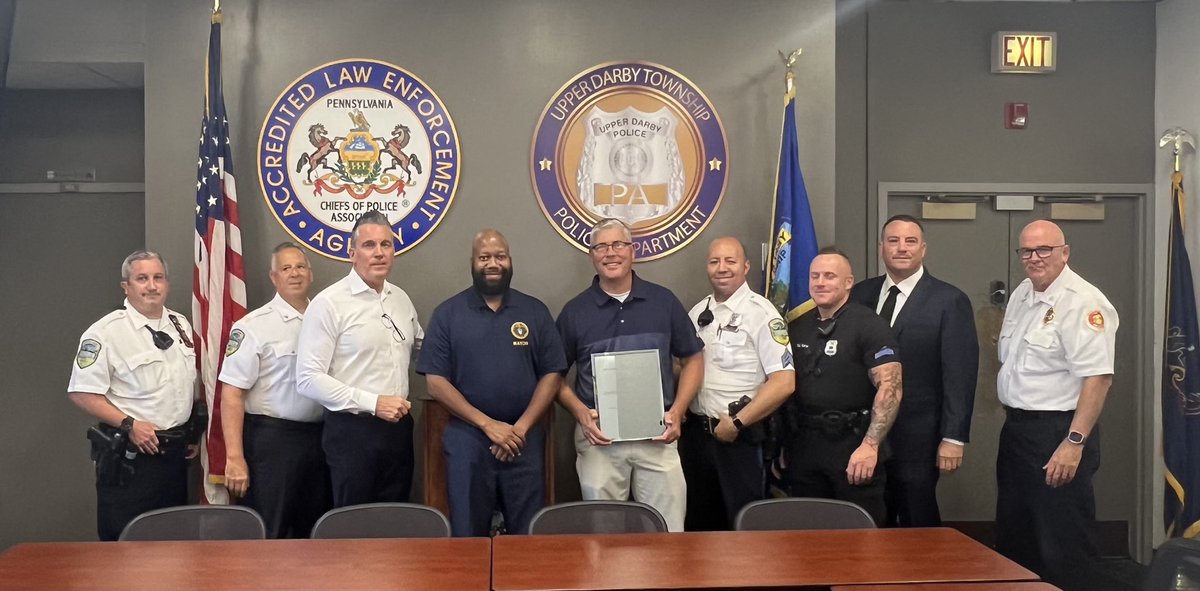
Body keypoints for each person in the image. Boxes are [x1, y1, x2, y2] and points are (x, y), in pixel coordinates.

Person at [556, 218, 704, 532]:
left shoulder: (663, 302)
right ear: (591, 255)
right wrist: (580, 412)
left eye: (618, 244)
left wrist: (678, 410)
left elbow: (693, 358)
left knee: (668, 532)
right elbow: (553, 377)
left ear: (632, 251)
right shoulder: (574, 312)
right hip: (600, 440)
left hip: (658, 436)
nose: (610, 253)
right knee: (604, 536)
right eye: (601, 246)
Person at [417, 229, 565, 536]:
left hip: (523, 438)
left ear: (510, 261)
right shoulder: (447, 314)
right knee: (467, 533)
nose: (493, 263)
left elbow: (552, 373)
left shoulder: (534, 311)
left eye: (500, 256)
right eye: (484, 257)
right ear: (472, 262)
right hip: (468, 438)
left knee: (529, 536)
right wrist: (488, 425)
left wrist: (519, 429)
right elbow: (435, 382)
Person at [995, 220, 1117, 590]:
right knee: (1015, 540)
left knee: (1063, 544)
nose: (1034, 258)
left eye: (1044, 249)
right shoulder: (1023, 293)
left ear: (1064, 253)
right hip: (1018, 431)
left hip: (1059, 434)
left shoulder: (1083, 302)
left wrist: (1074, 442)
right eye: (1027, 251)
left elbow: (1098, 378)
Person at [849, 214, 978, 527]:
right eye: (893, 241)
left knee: (917, 516)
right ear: (881, 247)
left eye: (910, 241)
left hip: (920, 435)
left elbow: (959, 375)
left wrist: (953, 437)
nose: (901, 248)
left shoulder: (949, 300)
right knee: (870, 517)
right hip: (866, 432)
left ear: (923, 249)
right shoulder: (860, 295)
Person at [68, 250, 198, 541]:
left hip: (174, 456)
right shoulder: (106, 332)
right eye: (142, 278)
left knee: (173, 544)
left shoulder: (180, 324)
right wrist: (129, 424)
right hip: (132, 457)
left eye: (158, 277)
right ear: (126, 286)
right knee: (127, 544)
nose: (151, 285)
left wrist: (190, 433)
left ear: (167, 283)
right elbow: (81, 392)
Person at [296, 210, 423, 506]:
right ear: (351, 253)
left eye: (386, 244)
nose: (379, 253)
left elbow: (422, 348)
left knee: (397, 515)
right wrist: (373, 403)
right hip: (353, 432)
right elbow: (308, 379)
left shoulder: (401, 299)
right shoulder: (329, 303)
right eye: (369, 245)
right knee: (353, 522)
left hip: (398, 431)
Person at [681, 237, 796, 531]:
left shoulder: (762, 314)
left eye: (730, 261)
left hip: (739, 438)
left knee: (743, 527)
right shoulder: (697, 313)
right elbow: (685, 367)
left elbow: (784, 382)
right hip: (697, 437)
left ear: (746, 267)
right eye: (714, 261)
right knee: (699, 527)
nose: (722, 268)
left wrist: (737, 423)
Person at [218, 242, 331, 538]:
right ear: (273, 277)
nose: (295, 273)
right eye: (286, 268)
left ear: (311, 274)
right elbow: (232, 394)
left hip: (319, 439)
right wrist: (234, 457)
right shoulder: (253, 326)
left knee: (316, 534)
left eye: (300, 267)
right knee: (269, 532)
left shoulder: (328, 320)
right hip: (272, 442)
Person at [783, 247, 902, 525]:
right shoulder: (797, 326)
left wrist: (870, 446)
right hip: (805, 446)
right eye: (815, 276)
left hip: (853, 444)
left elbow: (891, 388)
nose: (820, 282)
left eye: (829, 276)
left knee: (859, 534)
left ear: (848, 282)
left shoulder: (870, 325)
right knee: (807, 533)